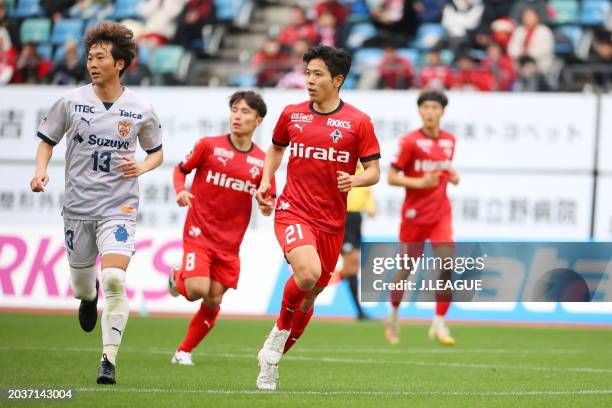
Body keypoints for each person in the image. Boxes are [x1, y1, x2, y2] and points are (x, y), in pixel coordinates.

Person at [29, 22, 164, 384]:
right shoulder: (71, 101)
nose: (92, 63)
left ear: (119, 64)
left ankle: (108, 359)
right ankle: (88, 300)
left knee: (115, 278)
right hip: (77, 207)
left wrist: (142, 166)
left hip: (118, 207)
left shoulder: (140, 108)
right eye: (90, 57)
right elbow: (47, 141)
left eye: (100, 57)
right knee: (83, 287)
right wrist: (41, 171)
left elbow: (157, 153)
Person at [254, 45, 381, 390]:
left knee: (309, 298)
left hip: (332, 222)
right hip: (293, 210)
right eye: (307, 73)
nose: (309, 80)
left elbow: (374, 172)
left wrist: (356, 179)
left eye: (317, 74)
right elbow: (276, 148)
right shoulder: (292, 114)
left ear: (337, 80)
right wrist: (267, 179)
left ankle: (271, 359)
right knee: (307, 275)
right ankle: (278, 335)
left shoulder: (358, 122)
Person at [168, 91, 274, 365]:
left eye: (246, 112)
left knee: (213, 299)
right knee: (196, 290)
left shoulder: (263, 161)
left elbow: (268, 196)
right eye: (235, 110)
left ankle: (183, 352)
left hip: (230, 243)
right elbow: (181, 169)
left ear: (258, 121)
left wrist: (266, 205)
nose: (238, 116)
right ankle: (178, 277)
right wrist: (181, 191)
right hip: (199, 232)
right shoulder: (208, 145)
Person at [385, 90, 459, 346]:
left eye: (434, 108)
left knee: (448, 263)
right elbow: (392, 177)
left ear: (442, 112)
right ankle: (393, 313)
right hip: (414, 216)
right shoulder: (409, 141)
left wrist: (452, 175)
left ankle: (439, 323)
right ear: (420, 111)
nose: (430, 112)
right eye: (425, 107)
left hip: (440, 214)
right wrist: (420, 182)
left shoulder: (450, 140)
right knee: (405, 269)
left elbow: (443, 168)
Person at [341, 164, 376, 320]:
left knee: (353, 266)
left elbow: (367, 194)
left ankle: (359, 311)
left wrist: (371, 207)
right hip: (342, 218)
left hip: (356, 220)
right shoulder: (341, 169)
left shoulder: (363, 173)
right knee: (351, 261)